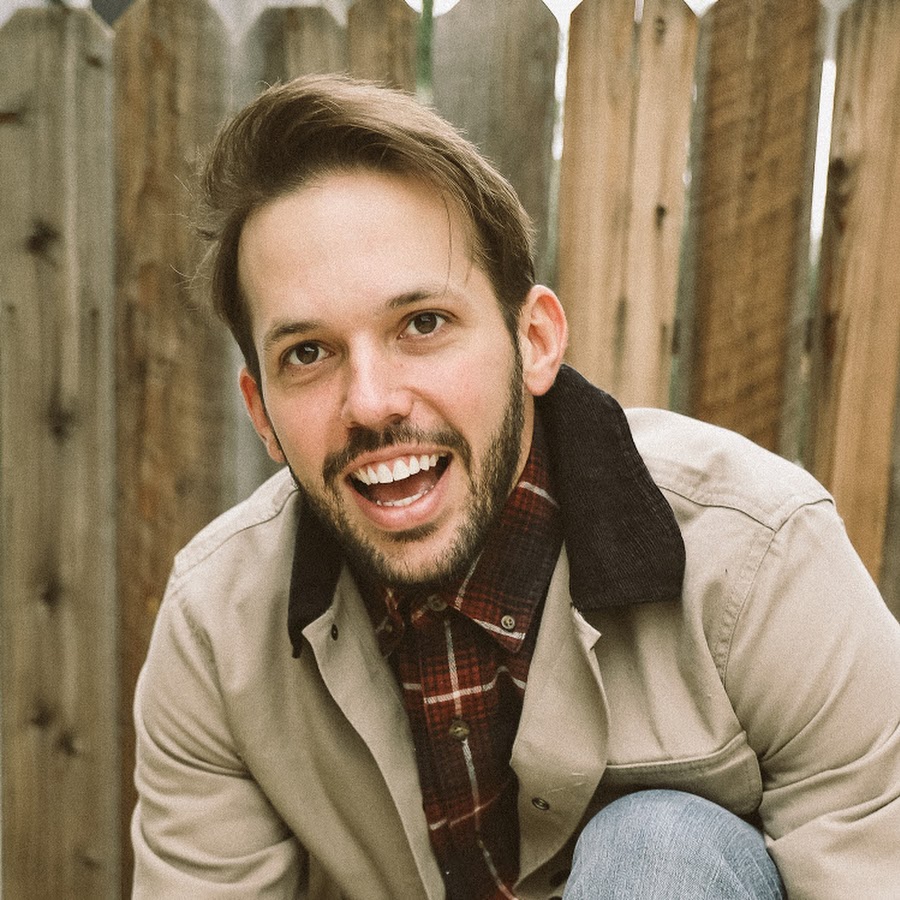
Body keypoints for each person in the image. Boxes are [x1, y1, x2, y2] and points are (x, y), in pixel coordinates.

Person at [130, 74, 900, 900]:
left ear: (534, 340)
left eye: (422, 324)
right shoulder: (217, 628)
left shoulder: (757, 555)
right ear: (262, 412)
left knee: (658, 849)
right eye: (308, 354)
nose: (371, 402)